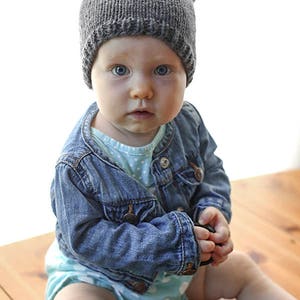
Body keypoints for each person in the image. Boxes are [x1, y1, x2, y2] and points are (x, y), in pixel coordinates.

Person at [45, 0, 296, 299]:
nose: (142, 89)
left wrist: (212, 210)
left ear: (185, 74)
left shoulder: (187, 123)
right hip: (103, 277)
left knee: (242, 270)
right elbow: (85, 239)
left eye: (162, 69)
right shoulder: (77, 163)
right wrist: (167, 243)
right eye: (119, 69)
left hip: (179, 271)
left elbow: (211, 172)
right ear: (91, 73)